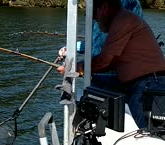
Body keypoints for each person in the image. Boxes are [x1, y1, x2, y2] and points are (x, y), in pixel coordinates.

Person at [57, 0, 165, 128]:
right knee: (147, 130)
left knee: (151, 132)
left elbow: (105, 60)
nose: (94, 19)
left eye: (94, 14)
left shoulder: (123, 20)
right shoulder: (121, 20)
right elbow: (111, 61)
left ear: (104, 7)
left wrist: (78, 68)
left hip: (148, 84)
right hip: (141, 84)